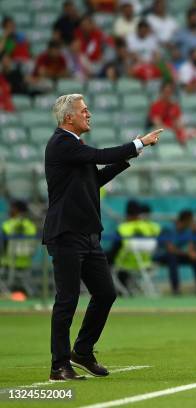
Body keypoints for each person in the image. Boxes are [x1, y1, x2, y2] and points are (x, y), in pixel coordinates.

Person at [43, 94, 163, 381]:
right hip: (67, 234)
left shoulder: (75, 146)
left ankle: (82, 350)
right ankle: (59, 365)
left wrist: (129, 156)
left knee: (106, 293)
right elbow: (99, 156)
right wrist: (137, 144)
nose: (89, 114)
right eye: (84, 110)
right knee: (67, 300)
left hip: (87, 234)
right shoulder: (60, 143)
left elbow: (94, 179)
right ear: (68, 117)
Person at [156, 209, 196, 296]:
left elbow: (191, 247)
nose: (192, 223)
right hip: (163, 255)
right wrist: (187, 253)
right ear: (185, 221)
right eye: (190, 221)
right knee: (172, 258)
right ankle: (175, 289)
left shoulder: (188, 231)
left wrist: (192, 252)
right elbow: (170, 249)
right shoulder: (168, 229)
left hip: (178, 255)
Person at [0, 200, 37, 294]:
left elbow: (2, 247)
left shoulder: (7, 225)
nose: (10, 210)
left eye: (12, 208)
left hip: (8, 262)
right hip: (25, 263)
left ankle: (5, 294)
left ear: (17, 210)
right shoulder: (31, 226)